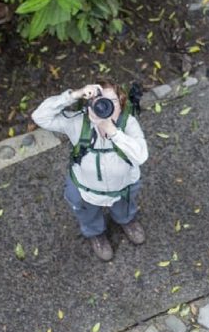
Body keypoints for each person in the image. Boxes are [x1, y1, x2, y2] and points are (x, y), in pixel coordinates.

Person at [31, 81, 148, 261]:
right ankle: (95, 233)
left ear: (122, 103)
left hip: (123, 186)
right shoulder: (78, 122)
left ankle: (126, 221)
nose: (105, 107)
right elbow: (40, 116)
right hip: (86, 189)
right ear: (90, 105)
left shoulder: (128, 123)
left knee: (124, 206)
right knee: (87, 212)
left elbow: (141, 155)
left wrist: (113, 132)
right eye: (99, 102)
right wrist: (74, 94)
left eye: (112, 102)